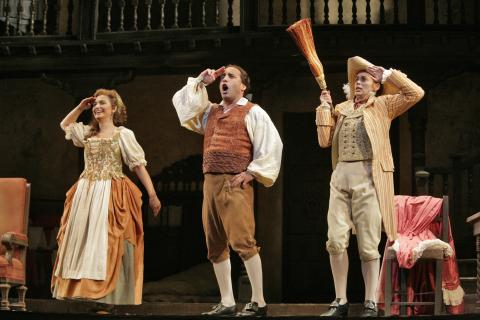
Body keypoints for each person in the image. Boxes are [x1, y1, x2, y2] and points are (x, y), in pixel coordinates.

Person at [316, 56, 424, 317]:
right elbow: (324, 141)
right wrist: (324, 108)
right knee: (334, 240)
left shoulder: (384, 105)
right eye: (355, 80)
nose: (358, 83)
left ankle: (369, 302)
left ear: (376, 85)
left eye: (364, 79)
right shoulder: (340, 109)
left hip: (369, 176)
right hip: (341, 176)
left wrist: (387, 74)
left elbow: (416, 93)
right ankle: (340, 300)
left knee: (367, 244)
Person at [172, 65, 282, 316]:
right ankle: (228, 301)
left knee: (243, 241)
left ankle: (258, 302)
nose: (224, 80)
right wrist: (200, 81)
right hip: (210, 182)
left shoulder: (253, 112)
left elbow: (272, 145)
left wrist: (251, 173)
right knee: (215, 244)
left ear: (243, 85)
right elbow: (183, 105)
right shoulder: (210, 112)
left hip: (235, 183)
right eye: (223, 77)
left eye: (231, 76)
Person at [51, 89, 161, 305]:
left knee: (108, 239)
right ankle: (79, 291)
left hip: (111, 191)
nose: (97, 107)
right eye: (95, 104)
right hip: (86, 192)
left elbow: (138, 166)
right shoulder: (87, 133)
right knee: (82, 240)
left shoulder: (123, 134)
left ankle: (108, 294)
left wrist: (152, 194)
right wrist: (80, 107)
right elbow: (64, 125)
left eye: (102, 103)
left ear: (114, 108)